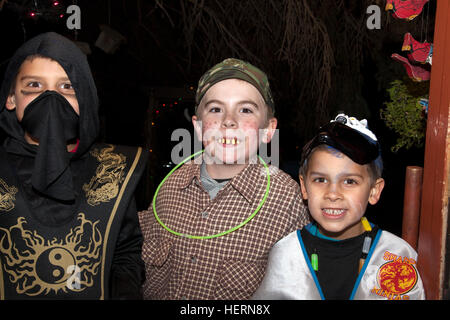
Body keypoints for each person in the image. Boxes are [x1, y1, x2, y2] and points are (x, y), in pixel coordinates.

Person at [138, 58, 310, 299]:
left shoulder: (288, 203)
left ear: (268, 130)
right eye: (216, 109)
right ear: (198, 128)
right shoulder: (168, 189)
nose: (229, 120)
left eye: (245, 110)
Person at [0, 32, 147, 299]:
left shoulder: (113, 171)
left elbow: (125, 254)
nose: (51, 99)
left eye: (67, 87)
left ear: (85, 99)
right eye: (34, 85)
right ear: (11, 98)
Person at [252, 114, 425, 300]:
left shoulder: (395, 255)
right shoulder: (286, 254)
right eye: (320, 179)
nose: (333, 194)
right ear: (304, 187)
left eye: (349, 181)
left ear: (374, 191)